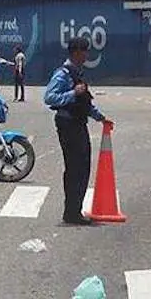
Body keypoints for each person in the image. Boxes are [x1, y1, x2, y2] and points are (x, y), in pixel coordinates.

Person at [43, 36, 110, 226]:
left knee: (82, 167)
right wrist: (73, 93)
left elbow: (84, 102)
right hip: (68, 124)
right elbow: (50, 97)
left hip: (78, 122)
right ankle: (71, 212)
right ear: (76, 52)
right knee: (75, 168)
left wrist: (99, 117)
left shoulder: (77, 73)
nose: (87, 55)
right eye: (84, 51)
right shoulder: (63, 73)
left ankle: (75, 209)